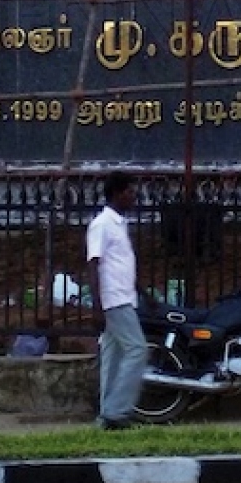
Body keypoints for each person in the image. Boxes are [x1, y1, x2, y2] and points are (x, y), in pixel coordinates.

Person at [85, 171, 146, 430]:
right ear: (117, 193)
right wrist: (97, 305)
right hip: (114, 300)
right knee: (138, 349)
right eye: (130, 192)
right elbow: (93, 264)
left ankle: (106, 415)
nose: (134, 197)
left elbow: (120, 265)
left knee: (113, 356)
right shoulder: (102, 224)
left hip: (124, 296)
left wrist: (144, 294)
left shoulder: (119, 224)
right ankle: (117, 412)